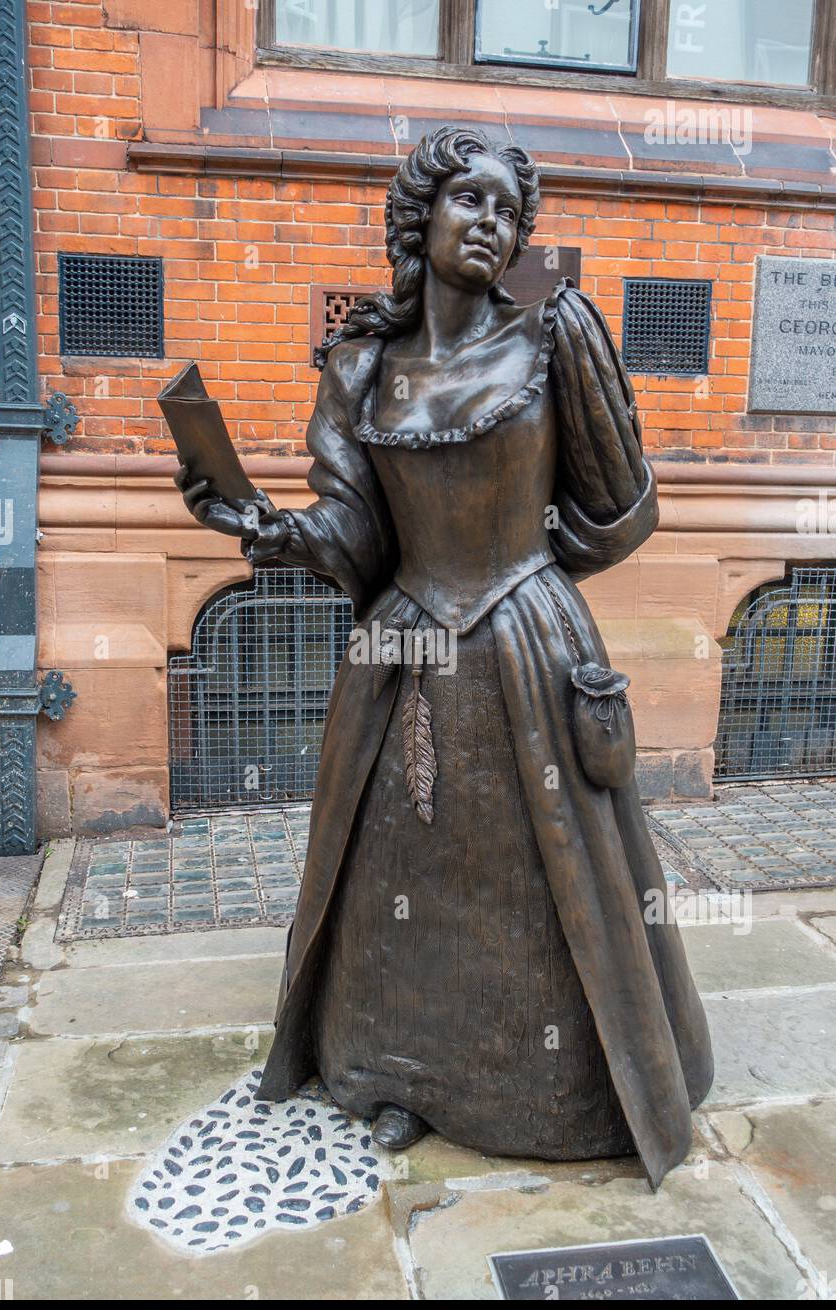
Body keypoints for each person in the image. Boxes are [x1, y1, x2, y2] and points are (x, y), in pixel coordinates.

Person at [176, 126, 713, 1190]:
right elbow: (356, 534)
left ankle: (557, 1094)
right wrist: (271, 529)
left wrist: (526, 580)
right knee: (397, 864)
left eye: (510, 213)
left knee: (540, 869)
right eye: (469, 200)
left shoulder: (550, 329)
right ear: (417, 217)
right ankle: (399, 1073)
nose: (492, 225)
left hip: (525, 639)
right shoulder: (364, 366)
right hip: (401, 652)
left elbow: (619, 508)